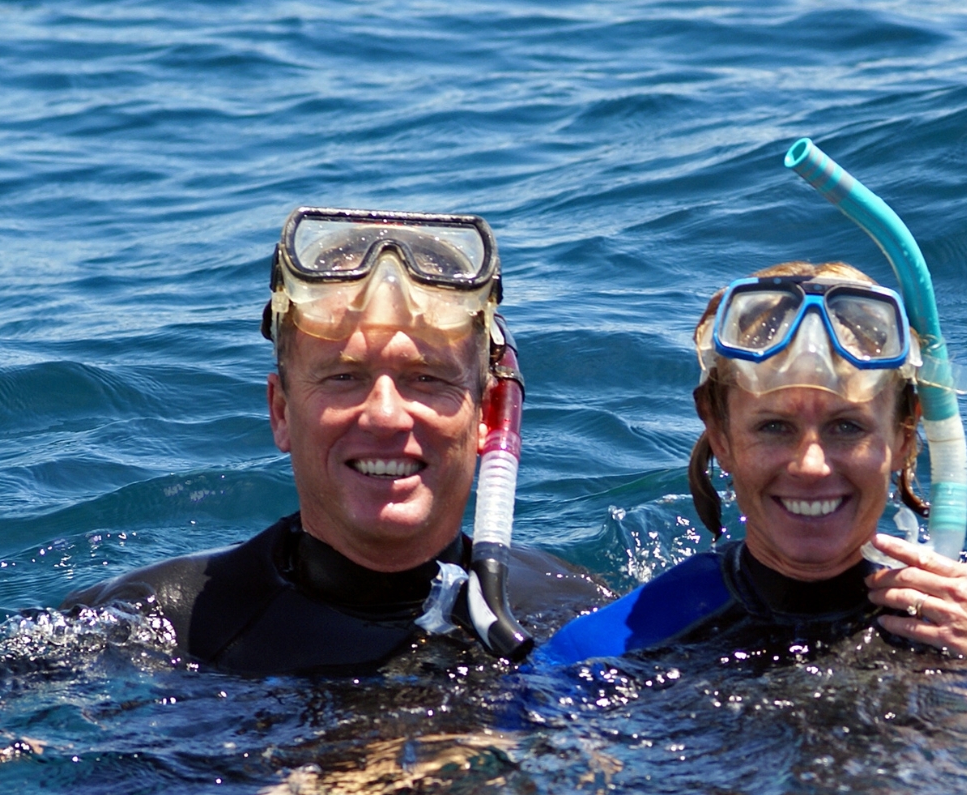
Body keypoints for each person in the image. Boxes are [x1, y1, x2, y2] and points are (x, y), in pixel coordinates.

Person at [539, 260, 967, 687]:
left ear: (905, 436)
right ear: (721, 435)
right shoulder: (606, 648)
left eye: (847, 427)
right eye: (774, 427)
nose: (811, 465)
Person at [63, 208, 601, 675]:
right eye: (344, 377)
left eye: (427, 379)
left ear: (485, 415)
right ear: (281, 412)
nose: (386, 416)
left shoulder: (576, 611)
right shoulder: (153, 624)